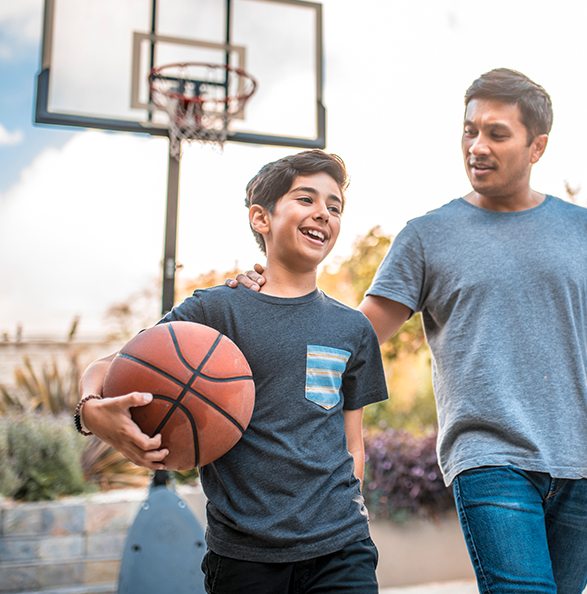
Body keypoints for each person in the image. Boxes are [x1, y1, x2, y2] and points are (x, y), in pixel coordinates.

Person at [229, 69, 587, 594]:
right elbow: (354, 333)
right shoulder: (427, 236)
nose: (476, 146)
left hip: (583, 461)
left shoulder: (586, 230)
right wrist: (273, 294)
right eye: (469, 131)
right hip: (487, 458)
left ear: (536, 146)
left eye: (496, 134)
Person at [74, 150, 389, 594]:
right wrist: (89, 411)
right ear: (261, 218)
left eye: (334, 207)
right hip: (244, 556)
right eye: (306, 199)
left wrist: (349, 513)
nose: (323, 213)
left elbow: (352, 442)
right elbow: (110, 365)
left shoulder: (352, 327)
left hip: (341, 548)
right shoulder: (216, 309)